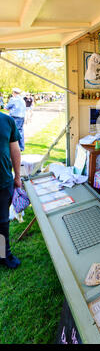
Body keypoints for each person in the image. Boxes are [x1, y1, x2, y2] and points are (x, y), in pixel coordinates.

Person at [0, 110, 22, 268]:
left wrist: (17, 176)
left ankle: (3, 255)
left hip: (3, 181)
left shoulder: (7, 121)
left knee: (2, 222)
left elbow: (15, 150)